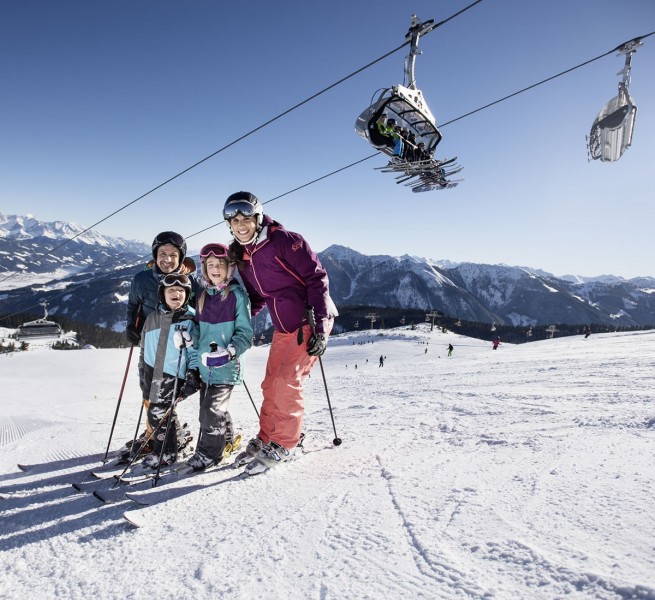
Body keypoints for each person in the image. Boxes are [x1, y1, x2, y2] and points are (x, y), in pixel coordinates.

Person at [223, 191, 338, 474]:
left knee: (287, 382)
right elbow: (257, 298)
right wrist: (236, 324)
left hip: (308, 320)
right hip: (283, 326)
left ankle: (287, 442)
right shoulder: (243, 254)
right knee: (271, 382)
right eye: (234, 219)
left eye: (246, 217)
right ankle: (268, 437)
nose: (240, 224)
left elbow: (317, 278)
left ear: (257, 218)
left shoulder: (286, 241)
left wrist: (320, 328)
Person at [122, 231, 203, 455]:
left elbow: (201, 309)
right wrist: (131, 326)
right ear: (155, 255)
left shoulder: (191, 282)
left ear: (181, 258)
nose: (167, 259)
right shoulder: (142, 280)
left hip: (177, 348)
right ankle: (156, 431)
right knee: (148, 391)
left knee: (169, 394)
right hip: (150, 342)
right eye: (163, 254)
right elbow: (133, 305)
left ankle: (159, 435)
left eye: (173, 255)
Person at [182, 242, 253, 472]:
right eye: (210, 265)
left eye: (219, 265)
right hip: (205, 367)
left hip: (225, 367)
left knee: (210, 411)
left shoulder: (236, 296)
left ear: (228, 268)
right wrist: (189, 337)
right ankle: (228, 438)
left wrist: (230, 352)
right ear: (204, 269)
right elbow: (197, 328)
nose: (214, 269)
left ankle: (209, 454)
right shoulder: (202, 295)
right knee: (213, 408)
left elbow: (246, 334)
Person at [138, 273, 197, 469]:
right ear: (162, 294)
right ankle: (172, 442)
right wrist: (142, 373)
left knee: (159, 412)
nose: (176, 293)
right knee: (157, 413)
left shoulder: (190, 319)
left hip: (174, 373)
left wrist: (193, 373)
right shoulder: (152, 319)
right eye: (171, 290)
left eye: (181, 291)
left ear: (186, 295)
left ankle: (166, 452)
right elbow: (144, 350)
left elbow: (196, 349)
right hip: (152, 373)